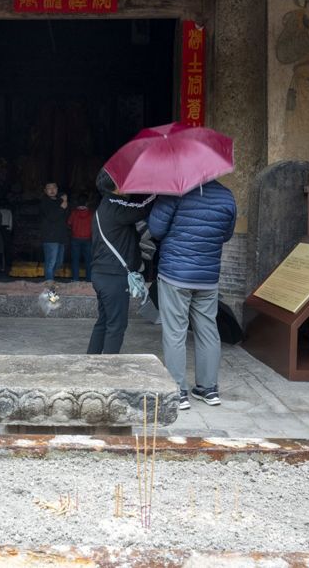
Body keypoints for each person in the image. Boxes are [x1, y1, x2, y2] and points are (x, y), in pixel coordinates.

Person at [148, 179, 236, 410]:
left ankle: (178, 392)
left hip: (175, 275)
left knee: (175, 332)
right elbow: (226, 234)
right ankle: (208, 389)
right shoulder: (227, 195)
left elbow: (155, 230)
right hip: (207, 277)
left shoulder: (174, 192)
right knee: (208, 330)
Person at [87, 169, 154, 355]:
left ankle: (90, 364)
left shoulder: (105, 206)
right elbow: (141, 209)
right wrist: (156, 190)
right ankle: (109, 373)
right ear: (116, 186)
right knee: (116, 326)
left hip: (102, 274)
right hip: (113, 276)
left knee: (103, 322)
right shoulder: (115, 205)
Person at [39, 181, 70, 284]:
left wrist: (63, 203)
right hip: (50, 237)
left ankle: (49, 280)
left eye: (54, 188)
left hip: (60, 237)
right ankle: (49, 286)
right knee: (51, 263)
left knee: (59, 262)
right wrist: (62, 206)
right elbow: (52, 217)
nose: (52, 190)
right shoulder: (44, 202)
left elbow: (65, 217)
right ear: (45, 191)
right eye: (49, 188)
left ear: (57, 189)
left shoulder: (59, 201)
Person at [67, 194, 94, 282]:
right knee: (88, 260)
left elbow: (69, 223)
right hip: (88, 239)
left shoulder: (74, 213)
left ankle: (75, 279)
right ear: (87, 203)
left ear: (77, 203)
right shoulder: (91, 214)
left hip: (75, 239)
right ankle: (89, 279)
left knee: (75, 260)